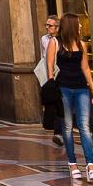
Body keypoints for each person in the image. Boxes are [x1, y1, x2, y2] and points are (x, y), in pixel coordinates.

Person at [55, 22, 93, 180]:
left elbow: (86, 68)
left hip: (81, 88)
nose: (81, 27)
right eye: (78, 25)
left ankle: (90, 165)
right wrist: (51, 91)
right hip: (63, 88)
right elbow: (49, 68)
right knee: (67, 127)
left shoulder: (81, 44)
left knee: (84, 126)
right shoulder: (56, 44)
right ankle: (72, 163)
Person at [38, 15, 66, 148]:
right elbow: (45, 57)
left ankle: (60, 131)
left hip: (61, 72)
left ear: (58, 27)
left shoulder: (62, 40)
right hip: (49, 73)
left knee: (61, 102)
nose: (47, 28)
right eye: (47, 25)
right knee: (54, 102)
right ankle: (57, 130)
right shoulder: (44, 39)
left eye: (50, 25)